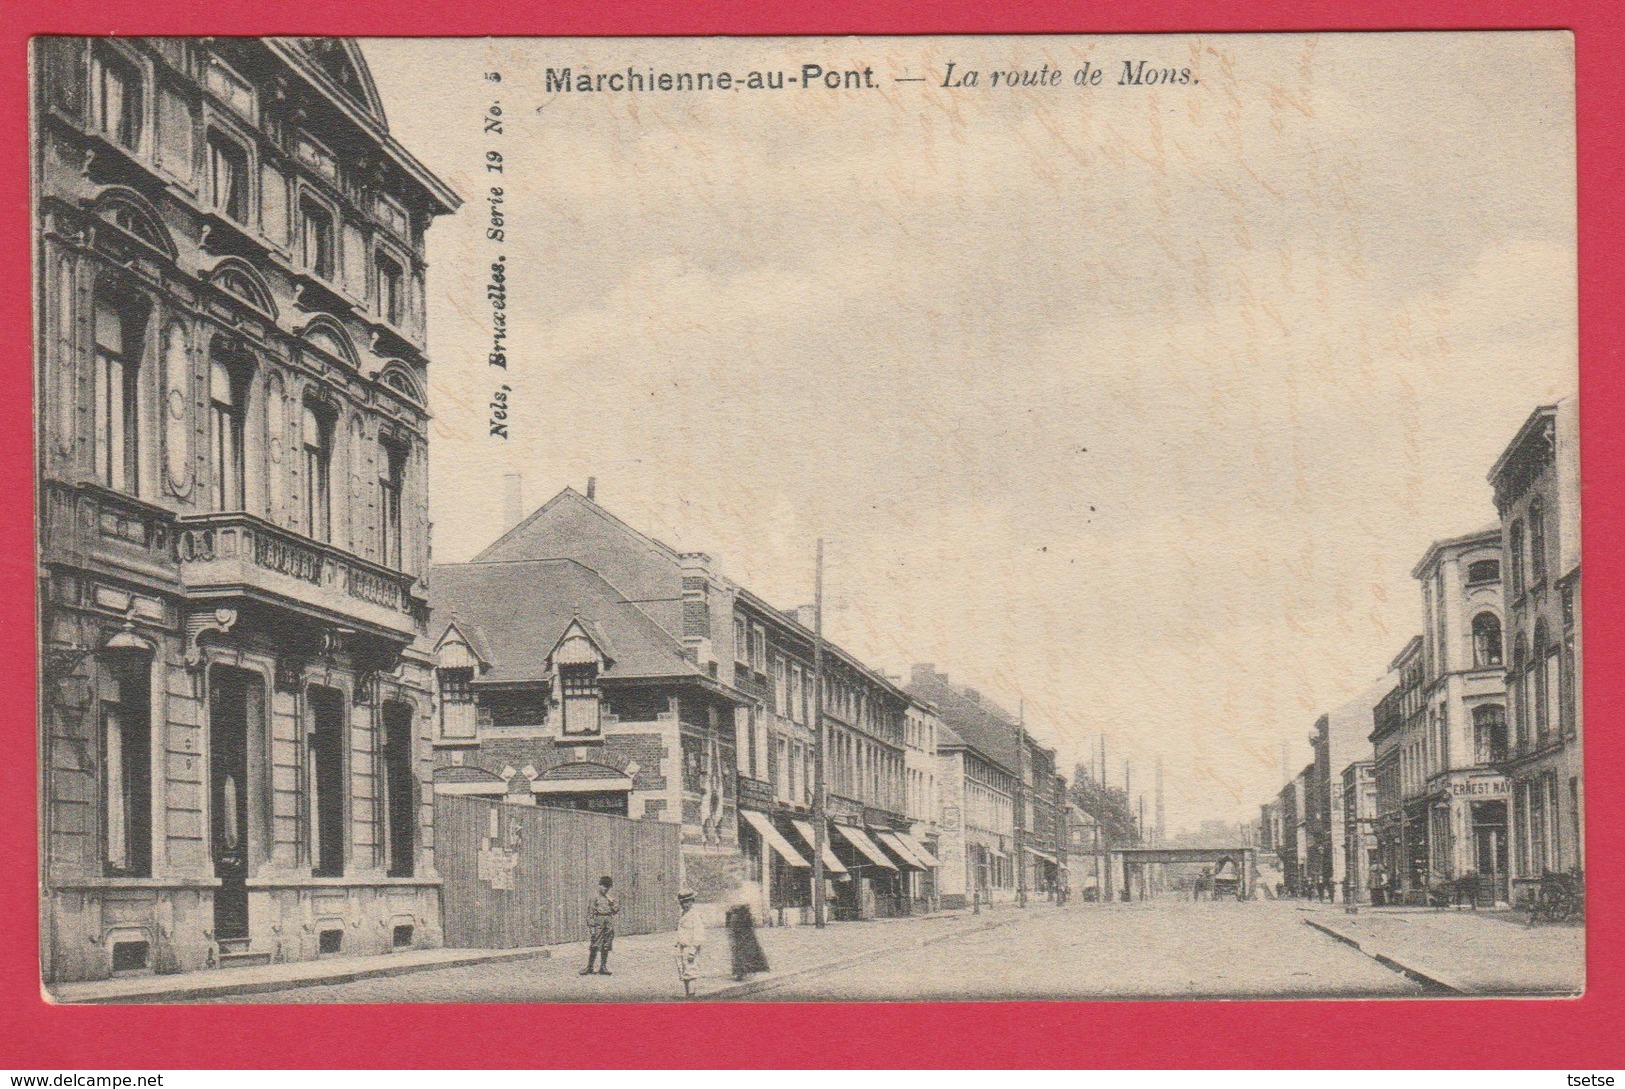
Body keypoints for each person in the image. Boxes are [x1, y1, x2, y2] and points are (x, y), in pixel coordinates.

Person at [725, 890, 770, 982]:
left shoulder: (741, 911)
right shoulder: (737, 911)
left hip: (744, 932)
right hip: (741, 932)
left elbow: (748, 922)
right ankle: (742, 971)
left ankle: (743, 971)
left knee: (743, 951)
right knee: (741, 951)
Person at [580, 875, 619, 976]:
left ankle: (603, 967)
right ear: (600, 886)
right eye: (604, 886)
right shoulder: (594, 898)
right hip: (598, 921)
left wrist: (612, 903)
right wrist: (592, 927)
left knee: (606, 944)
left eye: (608, 887)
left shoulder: (610, 898)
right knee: (594, 945)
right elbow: (590, 914)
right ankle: (589, 967)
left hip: (608, 921)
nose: (606, 889)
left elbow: (615, 911)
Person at [674, 890, 704, 998]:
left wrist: (693, 950)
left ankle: (691, 995)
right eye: (682, 903)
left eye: (687, 902)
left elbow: (698, 934)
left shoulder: (695, 915)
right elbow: (682, 930)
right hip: (682, 947)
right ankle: (687, 994)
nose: (685, 905)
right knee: (684, 971)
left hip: (690, 948)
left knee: (691, 971)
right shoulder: (684, 914)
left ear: (692, 901)